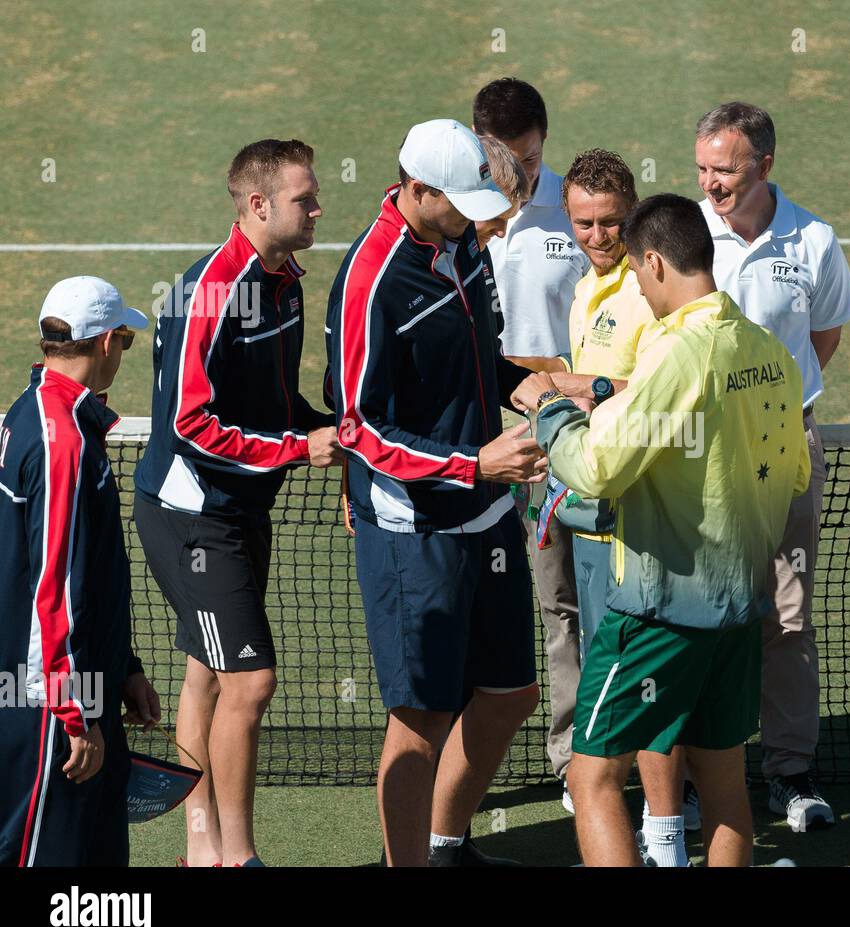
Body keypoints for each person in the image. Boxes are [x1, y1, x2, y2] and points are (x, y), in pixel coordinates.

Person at [513, 193, 810, 866]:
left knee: (593, 777)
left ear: (652, 262)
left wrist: (548, 406)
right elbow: (790, 476)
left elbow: (596, 467)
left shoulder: (677, 351)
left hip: (656, 615)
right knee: (726, 784)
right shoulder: (766, 349)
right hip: (738, 614)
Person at [325, 119, 542, 867]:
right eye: (462, 201)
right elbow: (357, 425)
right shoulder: (370, 278)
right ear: (417, 190)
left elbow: (479, 360)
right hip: (415, 528)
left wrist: (534, 387)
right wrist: (472, 463)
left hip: (486, 515)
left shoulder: (461, 247)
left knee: (512, 693)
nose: (478, 216)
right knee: (421, 717)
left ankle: (445, 846)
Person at [134, 139, 341, 868]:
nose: (318, 208)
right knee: (250, 682)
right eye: (304, 199)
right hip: (193, 515)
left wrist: (321, 427)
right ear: (258, 205)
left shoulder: (283, 281)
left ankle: (200, 847)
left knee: (203, 670)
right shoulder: (210, 294)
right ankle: (237, 856)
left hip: (241, 507)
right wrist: (296, 448)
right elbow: (191, 424)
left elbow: (277, 401)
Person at [695, 102, 850, 831]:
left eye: (724, 171)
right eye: (702, 169)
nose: (711, 185)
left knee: (788, 616)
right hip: (701, 454)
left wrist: (776, 401)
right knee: (705, 613)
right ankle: (704, 775)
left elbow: (823, 335)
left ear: (765, 164)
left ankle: (790, 773)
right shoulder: (685, 232)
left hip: (788, 447)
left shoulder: (815, 239)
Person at [547, 148, 701, 864]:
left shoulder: (649, 291)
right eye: (584, 223)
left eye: (610, 224)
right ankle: (637, 822)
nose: (598, 237)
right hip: (592, 509)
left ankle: (666, 829)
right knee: (613, 674)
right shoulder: (588, 288)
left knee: (646, 683)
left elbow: (660, 393)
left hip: (640, 514)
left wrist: (571, 388)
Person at [0, 276, 161, 866]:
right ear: (103, 343)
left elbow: (89, 575)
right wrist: (73, 714)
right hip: (49, 705)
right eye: (125, 339)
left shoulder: (38, 407)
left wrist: (124, 669)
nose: (123, 352)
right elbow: (55, 589)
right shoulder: (61, 441)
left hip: (79, 687)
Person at [472, 77, 587, 801]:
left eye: (532, 156)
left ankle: (575, 759)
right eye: (506, 160)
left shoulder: (577, 212)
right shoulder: (456, 217)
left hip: (559, 436)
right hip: (473, 443)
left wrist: (562, 392)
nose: (521, 173)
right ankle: (459, 767)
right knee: (473, 602)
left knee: (564, 602)